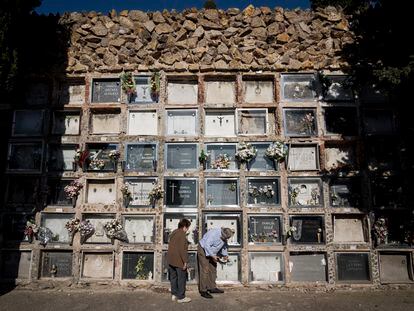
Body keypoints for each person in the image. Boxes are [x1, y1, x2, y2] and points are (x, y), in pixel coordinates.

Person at [197, 227, 234, 299]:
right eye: (225, 238)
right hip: (203, 249)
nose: (226, 239)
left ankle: (212, 287)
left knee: (213, 268)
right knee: (205, 269)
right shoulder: (214, 234)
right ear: (222, 234)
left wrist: (225, 254)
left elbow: (224, 246)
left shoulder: (225, 237)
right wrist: (213, 256)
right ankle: (203, 290)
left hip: (213, 252)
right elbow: (207, 246)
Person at [167, 218, 192, 303]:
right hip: (179, 260)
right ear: (184, 226)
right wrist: (185, 262)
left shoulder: (174, 232)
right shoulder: (182, 234)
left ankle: (174, 294)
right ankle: (181, 297)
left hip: (171, 260)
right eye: (188, 227)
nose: (188, 229)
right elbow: (182, 249)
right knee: (181, 279)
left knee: (173, 278)